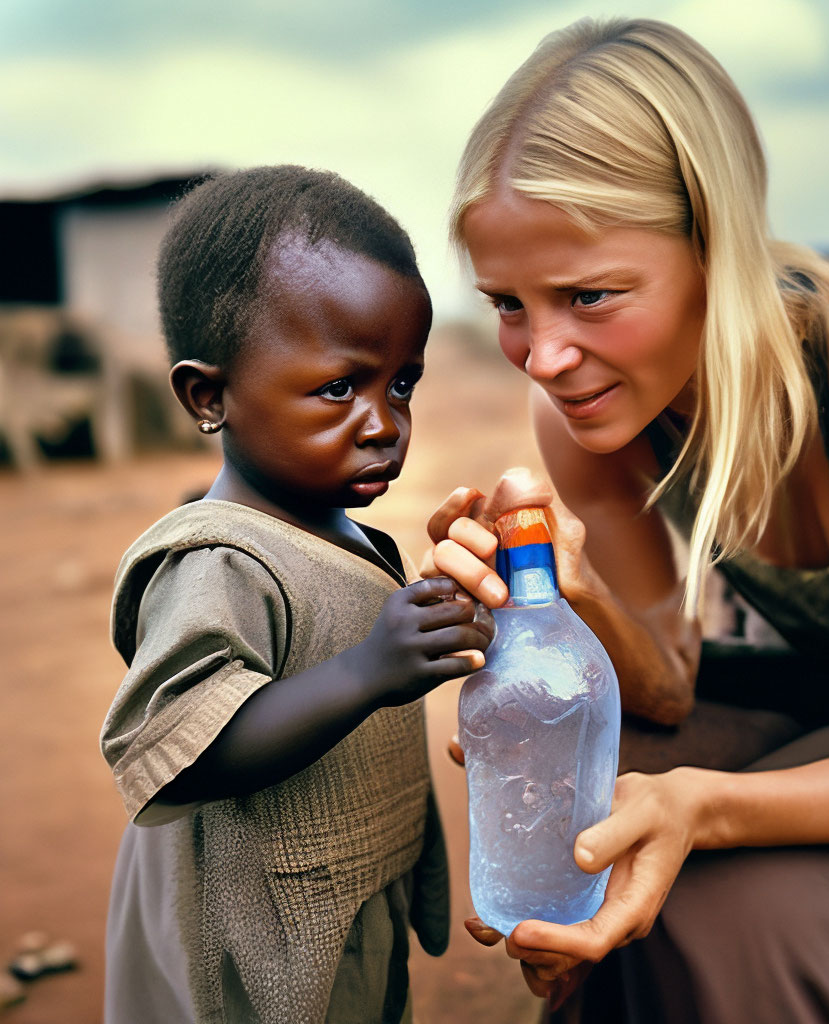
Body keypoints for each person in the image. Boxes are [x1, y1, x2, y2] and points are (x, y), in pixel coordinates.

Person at [424, 17, 829, 1022]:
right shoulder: (592, 412)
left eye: (589, 295)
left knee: (716, 906)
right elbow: (664, 689)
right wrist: (563, 603)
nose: (543, 353)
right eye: (510, 304)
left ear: (716, 243)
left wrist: (702, 810)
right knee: (587, 779)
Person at [99, 166, 493, 1024]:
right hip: (248, 932)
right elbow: (177, 747)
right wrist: (369, 668)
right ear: (210, 397)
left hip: (332, 892)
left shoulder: (338, 525)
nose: (385, 421)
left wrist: (436, 621)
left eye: (401, 382)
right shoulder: (219, 562)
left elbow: (346, 620)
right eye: (340, 387)